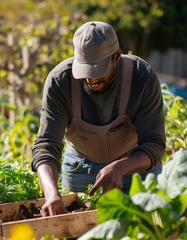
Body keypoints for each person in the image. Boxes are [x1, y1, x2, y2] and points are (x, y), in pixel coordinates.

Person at [31, 21, 165, 217]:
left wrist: (121, 167)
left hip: (135, 168)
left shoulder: (141, 77)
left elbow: (154, 143)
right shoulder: (60, 82)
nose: (91, 81)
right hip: (80, 169)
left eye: (98, 72)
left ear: (116, 56)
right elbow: (46, 145)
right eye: (85, 72)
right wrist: (51, 195)